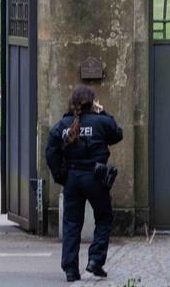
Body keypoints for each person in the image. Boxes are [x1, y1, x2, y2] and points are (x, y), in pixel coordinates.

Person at [45, 84, 123, 281]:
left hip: (71, 178)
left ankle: (71, 270)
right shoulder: (102, 122)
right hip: (95, 178)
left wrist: (60, 176)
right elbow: (117, 134)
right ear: (92, 103)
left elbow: (51, 152)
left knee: (71, 223)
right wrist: (103, 111)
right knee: (104, 217)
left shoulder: (62, 125)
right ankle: (95, 260)